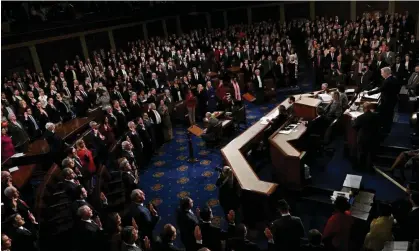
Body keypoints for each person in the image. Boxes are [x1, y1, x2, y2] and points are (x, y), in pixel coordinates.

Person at [366, 67, 399, 134]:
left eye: (382, 73)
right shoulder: (393, 78)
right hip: (393, 99)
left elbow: (381, 89)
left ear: (386, 73)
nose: (381, 74)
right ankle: (387, 125)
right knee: (389, 113)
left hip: (388, 101)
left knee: (386, 114)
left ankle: (385, 128)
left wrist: (368, 93)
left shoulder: (387, 81)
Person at [352, 102, 381, 171]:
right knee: (371, 153)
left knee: (362, 153)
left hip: (363, 138)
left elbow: (355, 127)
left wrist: (353, 121)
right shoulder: (376, 116)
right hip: (373, 137)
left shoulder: (360, 117)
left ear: (364, 109)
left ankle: (361, 168)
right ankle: (370, 168)